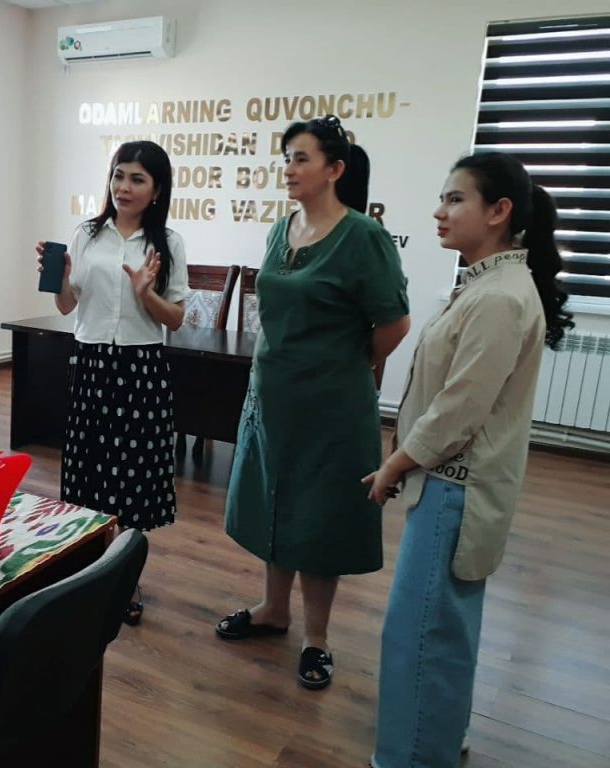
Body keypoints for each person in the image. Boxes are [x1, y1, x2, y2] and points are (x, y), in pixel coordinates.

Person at [364, 151, 574, 768]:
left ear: (500, 211)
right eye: (443, 197)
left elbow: (458, 411)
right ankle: (437, 737)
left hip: (455, 488)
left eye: (455, 199)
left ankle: (411, 756)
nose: (440, 211)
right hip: (455, 486)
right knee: (442, 627)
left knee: (421, 633)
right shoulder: (489, 284)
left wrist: (395, 464)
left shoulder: (500, 297)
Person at [215, 115, 410, 690]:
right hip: (272, 398)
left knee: (320, 515)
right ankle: (274, 610)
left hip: (332, 405)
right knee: (276, 503)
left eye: (301, 158)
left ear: (335, 169)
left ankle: (317, 637)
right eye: (287, 158)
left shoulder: (363, 236)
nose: (289, 169)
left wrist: (345, 363)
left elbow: (394, 323)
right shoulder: (282, 229)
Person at [36, 140, 189, 625]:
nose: (124, 187)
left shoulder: (167, 243)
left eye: (137, 179)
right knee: (91, 470)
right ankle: (88, 572)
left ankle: (124, 579)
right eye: (118, 175)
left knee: (133, 476)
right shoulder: (87, 234)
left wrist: (145, 294)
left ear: (157, 190)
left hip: (140, 367)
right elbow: (67, 305)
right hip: (91, 364)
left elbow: (176, 318)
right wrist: (60, 277)